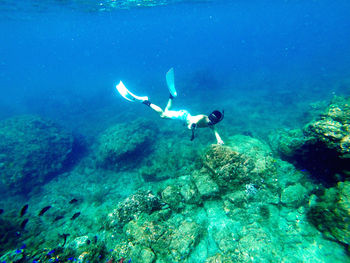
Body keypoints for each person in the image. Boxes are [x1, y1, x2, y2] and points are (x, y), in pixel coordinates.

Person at [116, 68, 224, 145]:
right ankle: (145, 101)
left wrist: (219, 140)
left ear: (216, 122)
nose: (210, 121)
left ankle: (171, 96)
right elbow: (191, 124)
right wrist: (191, 127)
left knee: (168, 110)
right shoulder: (202, 118)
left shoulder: (211, 124)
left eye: (213, 121)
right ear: (209, 116)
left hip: (183, 115)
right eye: (211, 118)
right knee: (163, 115)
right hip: (183, 116)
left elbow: (215, 131)